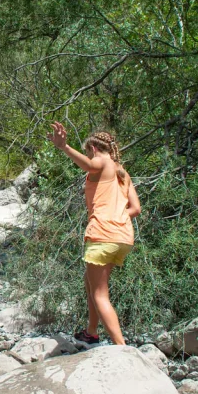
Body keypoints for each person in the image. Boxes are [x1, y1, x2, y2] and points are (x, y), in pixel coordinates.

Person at [46, 123, 140, 346]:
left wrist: (64, 147)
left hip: (102, 235)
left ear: (94, 149)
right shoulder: (122, 173)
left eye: (89, 151)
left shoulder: (102, 161)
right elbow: (135, 209)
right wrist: (115, 215)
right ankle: (92, 332)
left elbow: (89, 165)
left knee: (100, 295)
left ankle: (122, 348)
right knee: (90, 283)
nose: (90, 156)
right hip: (123, 237)